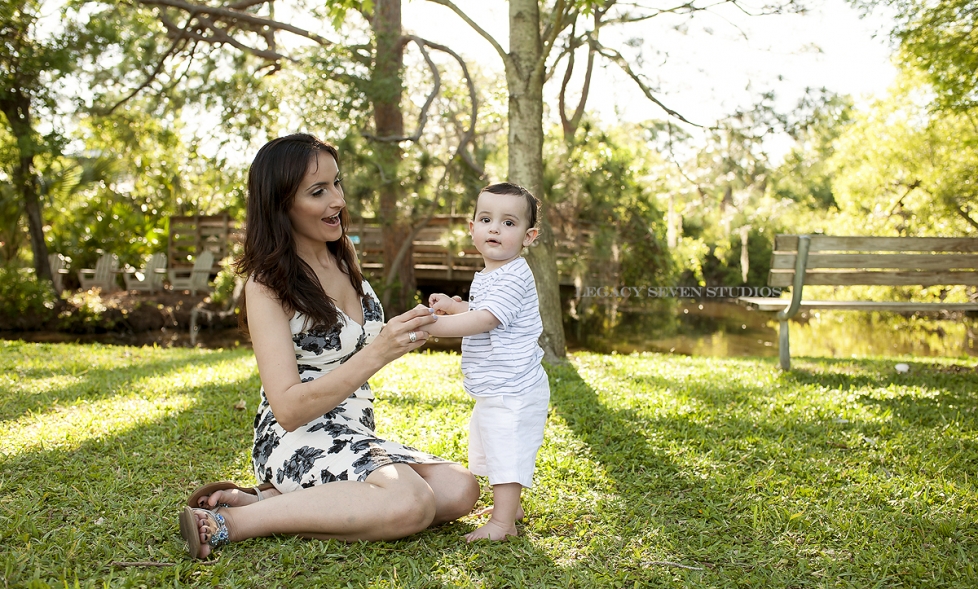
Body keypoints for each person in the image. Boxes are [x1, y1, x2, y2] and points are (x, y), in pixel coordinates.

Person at [179, 133, 480, 560]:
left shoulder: (343, 258)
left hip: (353, 431)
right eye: (318, 192)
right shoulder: (267, 285)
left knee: (460, 488)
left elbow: (366, 338)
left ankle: (265, 501)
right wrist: (380, 351)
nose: (336, 200)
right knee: (411, 502)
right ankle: (231, 523)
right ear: (281, 204)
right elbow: (288, 408)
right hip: (295, 434)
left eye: (336, 184)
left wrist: (436, 319)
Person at [425, 182, 550, 542]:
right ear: (472, 229)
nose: (495, 228)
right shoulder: (493, 273)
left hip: (515, 388)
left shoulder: (515, 275)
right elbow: (479, 310)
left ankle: (502, 524)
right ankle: (511, 507)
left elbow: (486, 320)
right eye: (486, 219)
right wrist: (454, 305)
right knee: (490, 446)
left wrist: (435, 325)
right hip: (498, 385)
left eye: (508, 223)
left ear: (528, 236)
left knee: (506, 448)